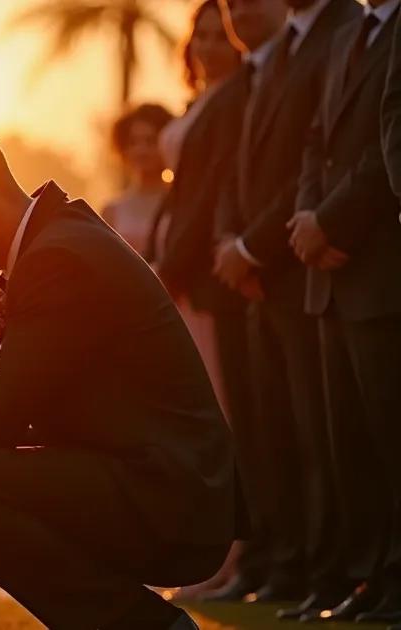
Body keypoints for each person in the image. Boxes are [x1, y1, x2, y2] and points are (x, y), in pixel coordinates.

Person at [0, 124, 239, 630]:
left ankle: (145, 626)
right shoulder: (51, 240)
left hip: (170, 499)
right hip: (131, 476)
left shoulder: (59, 257)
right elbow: (9, 411)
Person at [213, 0, 362, 613]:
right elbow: (239, 174)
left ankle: (326, 571)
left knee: (319, 440)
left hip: (303, 267)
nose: (240, 10)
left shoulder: (344, 31)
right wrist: (233, 246)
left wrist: (254, 247)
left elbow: (323, 155)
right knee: (274, 438)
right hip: (258, 278)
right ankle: (290, 565)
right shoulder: (270, 63)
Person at [293, 0, 401, 623]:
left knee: (391, 438)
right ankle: (368, 578)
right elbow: (317, 142)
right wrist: (308, 219)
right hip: (328, 272)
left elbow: (380, 148)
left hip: (377, 262)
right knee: (347, 445)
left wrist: (331, 221)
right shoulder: (350, 34)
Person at [145, 1, 248, 598]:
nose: (210, 46)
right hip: (175, 281)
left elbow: (210, 197)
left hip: (201, 285)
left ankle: (231, 558)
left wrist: (172, 269)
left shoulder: (238, 103)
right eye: (202, 35)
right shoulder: (197, 107)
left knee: (223, 422)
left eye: (220, 35)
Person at [101, 103, 173, 256]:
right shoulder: (111, 211)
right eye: (133, 142)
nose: (141, 150)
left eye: (150, 141)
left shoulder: (180, 204)